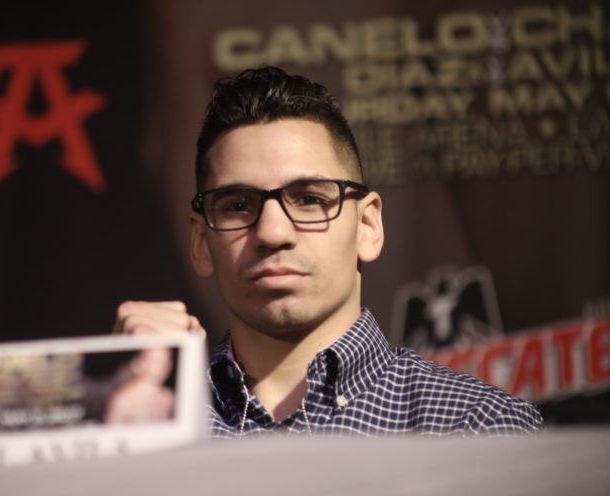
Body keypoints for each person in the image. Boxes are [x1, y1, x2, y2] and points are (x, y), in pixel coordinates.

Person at [113, 66, 542, 437]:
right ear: (200, 243)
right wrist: (113, 431)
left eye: (309, 199)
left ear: (368, 227)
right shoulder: (145, 422)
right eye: (238, 205)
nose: (273, 232)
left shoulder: (477, 427)